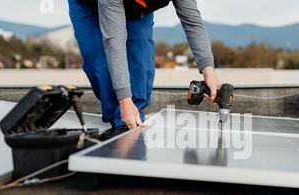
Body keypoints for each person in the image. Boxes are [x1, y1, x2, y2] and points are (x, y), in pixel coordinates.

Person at [69, 0, 222, 140]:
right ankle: (122, 113)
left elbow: (192, 22)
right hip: (87, 5)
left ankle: (127, 121)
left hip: (137, 7)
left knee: (140, 56)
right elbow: (114, 41)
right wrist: (124, 99)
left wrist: (208, 70)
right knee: (98, 61)